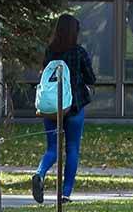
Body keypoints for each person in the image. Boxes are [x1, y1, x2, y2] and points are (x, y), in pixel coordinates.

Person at [33, 14, 95, 204]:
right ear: (74, 32)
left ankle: (40, 173)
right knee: (72, 148)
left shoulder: (50, 51)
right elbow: (91, 78)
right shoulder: (79, 52)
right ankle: (65, 193)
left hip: (52, 108)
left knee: (52, 148)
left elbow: (44, 73)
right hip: (74, 107)